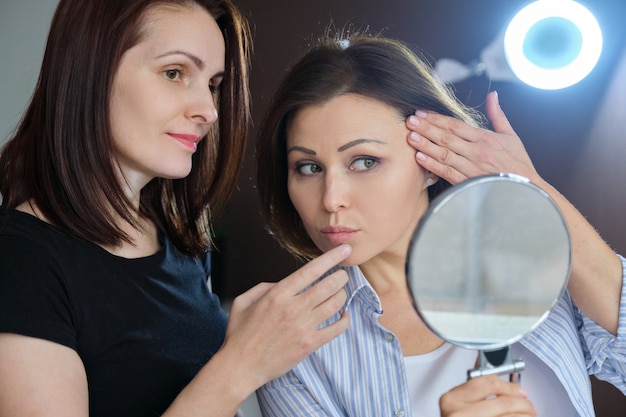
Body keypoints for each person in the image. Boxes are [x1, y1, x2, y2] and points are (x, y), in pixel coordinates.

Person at [0, 1, 354, 416]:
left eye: (212, 84)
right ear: (89, 70)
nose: (207, 110)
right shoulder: (20, 261)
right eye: (175, 73)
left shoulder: (181, 238)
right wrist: (240, 364)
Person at [254, 33, 626, 417]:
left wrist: (534, 192)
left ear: (430, 161)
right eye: (309, 168)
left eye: (365, 161)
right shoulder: (291, 341)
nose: (331, 199)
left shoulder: (534, 261)